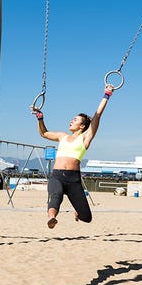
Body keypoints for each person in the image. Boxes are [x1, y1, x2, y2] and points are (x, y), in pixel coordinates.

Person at [33, 84, 114, 228]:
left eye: (75, 120)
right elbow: (44, 133)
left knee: (86, 217)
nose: (71, 121)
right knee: (55, 196)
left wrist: (106, 94)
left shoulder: (85, 138)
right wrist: (40, 118)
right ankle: (52, 218)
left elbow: (98, 115)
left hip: (73, 179)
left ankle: (77, 212)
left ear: (82, 126)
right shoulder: (62, 136)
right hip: (56, 176)